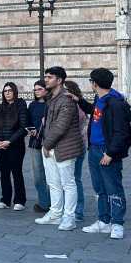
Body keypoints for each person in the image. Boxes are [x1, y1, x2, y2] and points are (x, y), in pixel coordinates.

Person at [82, 68, 131, 240]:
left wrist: (110, 153)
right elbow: (94, 113)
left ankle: (117, 223)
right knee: (99, 188)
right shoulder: (100, 99)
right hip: (94, 149)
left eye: (91, 81)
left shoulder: (116, 103)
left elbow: (121, 132)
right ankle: (104, 220)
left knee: (113, 188)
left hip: (107, 150)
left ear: (95, 83)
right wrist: (79, 100)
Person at [37, 66, 84, 231]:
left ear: (59, 80)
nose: (46, 80)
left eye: (49, 77)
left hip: (65, 147)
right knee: (53, 183)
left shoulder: (66, 99)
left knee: (68, 184)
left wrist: (46, 144)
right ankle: (55, 214)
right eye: (46, 77)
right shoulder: (51, 98)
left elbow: (60, 126)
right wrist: (47, 145)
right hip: (50, 147)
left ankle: (69, 218)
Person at [0, 82, 30, 209]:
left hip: (15, 146)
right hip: (0, 146)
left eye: (10, 90)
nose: (7, 93)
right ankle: (5, 200)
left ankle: (19, 200)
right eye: (5, 91)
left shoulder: (21, 106)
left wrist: (9, 141)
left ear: (15, 92)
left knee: (16, 172)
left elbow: (23, 128)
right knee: (4, 173)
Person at [63, 80, 88, 224]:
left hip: (76, 146)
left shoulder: (76, 106)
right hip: (71, 145)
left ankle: (77, 210)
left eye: (65, 90)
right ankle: (71, 209)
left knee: (73, 179)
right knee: (69, 179)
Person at [27, 81, 51, 213]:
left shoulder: (51, 104)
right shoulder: (32, 105)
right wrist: (30, 130)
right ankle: (43, 202)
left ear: (46, 90)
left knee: (50, 175)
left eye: (39, 89)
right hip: (34, 143)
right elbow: (28, 121)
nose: (37, 91)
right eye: (35, 89)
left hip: (49, 143)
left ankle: (51, 203)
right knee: (37, 176)